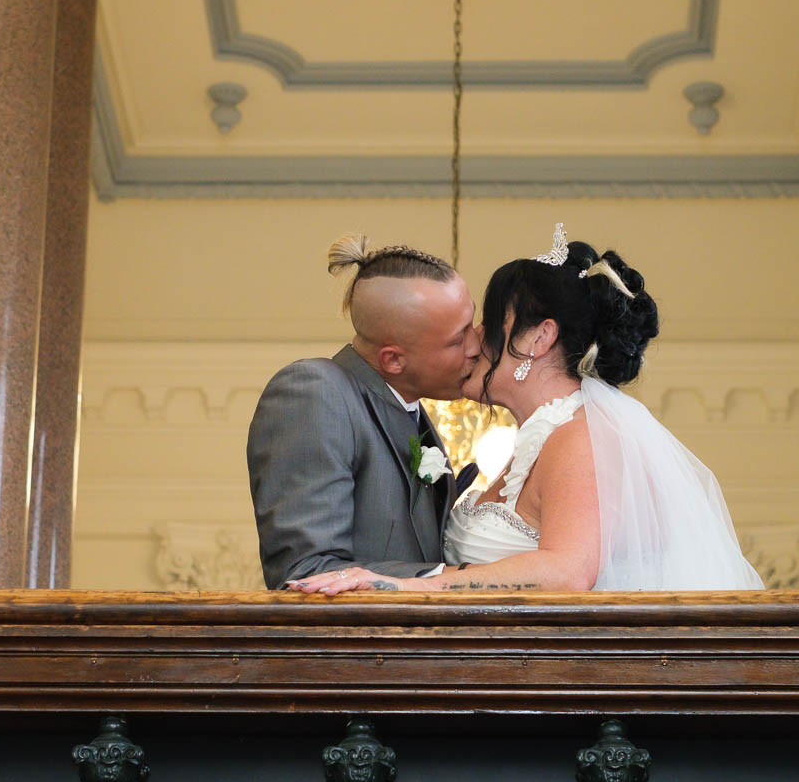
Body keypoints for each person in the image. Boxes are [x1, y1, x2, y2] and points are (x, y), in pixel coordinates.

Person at [288, 225, 762, 594]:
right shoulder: (533, 445)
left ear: (539, 337)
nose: (474, 339)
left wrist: (412, 588)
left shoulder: (582, 438)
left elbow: (567, 569)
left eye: (490, 321)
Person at [247, 236, 483, 588]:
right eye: (457, 339)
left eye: (472, 324)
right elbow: (306, 570)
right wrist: (451, 581)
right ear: (393, 360)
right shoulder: (315, 391)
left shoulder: (411, 412)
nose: (477, 346)